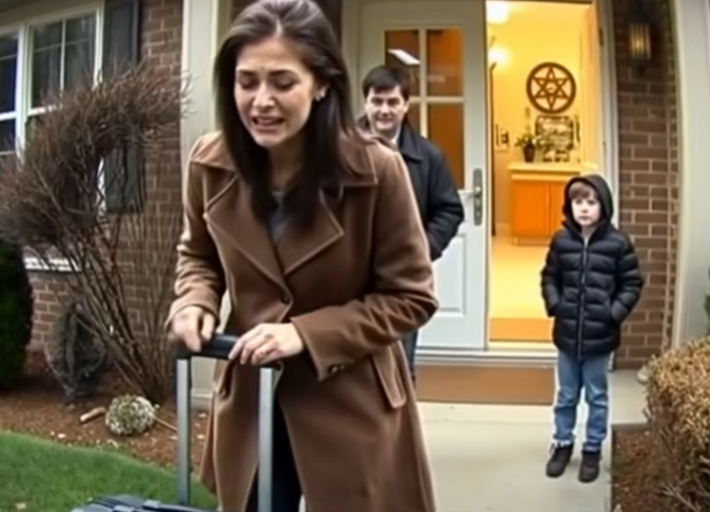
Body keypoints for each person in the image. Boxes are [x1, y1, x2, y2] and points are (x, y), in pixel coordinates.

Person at [164, 1, 439, 511]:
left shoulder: (377, 172)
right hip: (253, 400)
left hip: (351, 402)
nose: (261, 101)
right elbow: (198, 254)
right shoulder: (209, 163)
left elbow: (410, 298)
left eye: (282, 82)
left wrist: (305, 335)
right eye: (247, 82)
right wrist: (195, 300)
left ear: (322, 84)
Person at [359, 65, 464, 384]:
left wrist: (420, 252)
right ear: (365, 102)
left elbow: (449, 210)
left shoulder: (429, 157)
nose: (384, 110)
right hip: (346, 279)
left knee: (398, 369)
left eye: (393, 102)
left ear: (406, 105)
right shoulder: (337, 150)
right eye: (377, 101)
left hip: (401, 282)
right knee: (350, 369)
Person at [540, 174, 643, 483]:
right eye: (578, 202)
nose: (584, 208)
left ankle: (592, 448)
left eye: (591, 202)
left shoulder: (618, 244)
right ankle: (562, 443)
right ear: (569, 206)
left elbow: (632, 283)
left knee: (597, 396)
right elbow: (549, 277)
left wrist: (614, 313)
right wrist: (556, 305)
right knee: (566, 395)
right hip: (567, 336)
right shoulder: (561, 241)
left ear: (604, 206)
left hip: (600, 337)